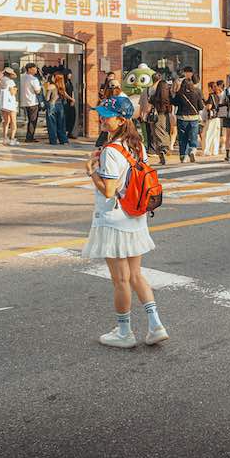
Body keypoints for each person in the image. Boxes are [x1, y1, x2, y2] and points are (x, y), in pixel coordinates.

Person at [81, 96, 167, 349]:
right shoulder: (136, 144)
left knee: (120, 279)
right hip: (136, 216)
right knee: (136, 274)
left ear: (121, 119)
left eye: (107, 115)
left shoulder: (110, 150)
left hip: (115, 218)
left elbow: (108, 191)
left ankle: (124, 331)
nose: (102, 118)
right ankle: (155, 325)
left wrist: (91, 171)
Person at [171, 69, 203, 163]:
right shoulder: (196, 93)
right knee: (193, 137)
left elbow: (174, 102)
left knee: (182, 138)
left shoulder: (179, 93)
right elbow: (200, 107)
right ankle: (192, 150)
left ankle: (183, 156)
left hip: (182, 118)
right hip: (194, 119)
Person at [43, 72, 70, 145]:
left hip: (52, 105)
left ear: (55, 78)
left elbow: (47, 98)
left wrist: (46, 89)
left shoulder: (51, 86)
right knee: (61, 124)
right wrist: (72, 99)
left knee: (52, 124)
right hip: (60, 106)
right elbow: (65, 95)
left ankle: (53, 141)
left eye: (53, 76)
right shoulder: (61, 86)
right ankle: (63, 140)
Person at [19, 63, 42, 142]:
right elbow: (38, 91)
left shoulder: (21, 77)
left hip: (23, 101)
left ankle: (29, 136)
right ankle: (29, 137)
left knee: (29, 119)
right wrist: (41, 87)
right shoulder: (33, 79)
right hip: (32, 102)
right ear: (29, 69)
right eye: (34, 68)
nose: (36, 70)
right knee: (33, 120)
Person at [0, 67, 19, 145]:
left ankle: (5, 138)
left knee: (6, 121)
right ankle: (12, 139)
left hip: (3, 102)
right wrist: (16, 90)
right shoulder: (10, 81)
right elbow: (12, 92)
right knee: (13, 121)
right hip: (11, 102)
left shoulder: (0, 81)